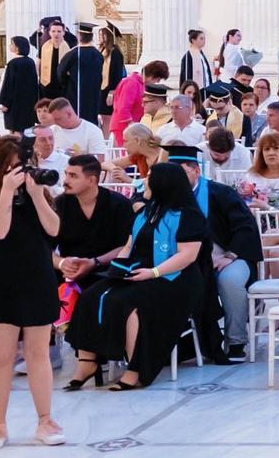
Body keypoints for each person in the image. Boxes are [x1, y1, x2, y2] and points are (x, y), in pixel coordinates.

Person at [0, 137, 65, 450]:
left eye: (23, 164)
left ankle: (45, 420)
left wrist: (36, 195)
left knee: (38, 353)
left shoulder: (37, 189)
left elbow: (54, 230)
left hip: (37, 278)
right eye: (12, 166)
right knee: (1, 355)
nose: (19, 171)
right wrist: (7, 192)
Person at [90, 164, 212, 390]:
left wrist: (153, 273)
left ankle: (135, 369)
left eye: (149, 177)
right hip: (145, 273)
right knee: (95, 294)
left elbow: (187, 256)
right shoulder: (146, 212)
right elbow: (129, 245)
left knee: (130, 303)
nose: (144, 181)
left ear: (163, 184)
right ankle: (88, 362)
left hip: (178, 280)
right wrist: (118, 270)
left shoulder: (189, 215)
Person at [53, 156, 139, 388]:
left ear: (92, 180)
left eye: (73, 176)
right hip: (70, 268)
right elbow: (44, 247)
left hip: (108, 266)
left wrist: (94, 262)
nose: (65, 180)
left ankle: (87, 360)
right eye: (66, 174)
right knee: (39, 282)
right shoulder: (60, 205)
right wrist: (62, 263)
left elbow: (127, 245)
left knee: (95, 289)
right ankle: (48, 353)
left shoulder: (118, 204)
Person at [170, 144, 260, 360]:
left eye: (183, 172)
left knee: (230, 281)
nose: (177, 179)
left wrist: (230, 256)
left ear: (197, 171)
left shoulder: (220, 193)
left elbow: (246, 227)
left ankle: (236, 341)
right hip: (182, 260)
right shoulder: (166, 197)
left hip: (226, 256)